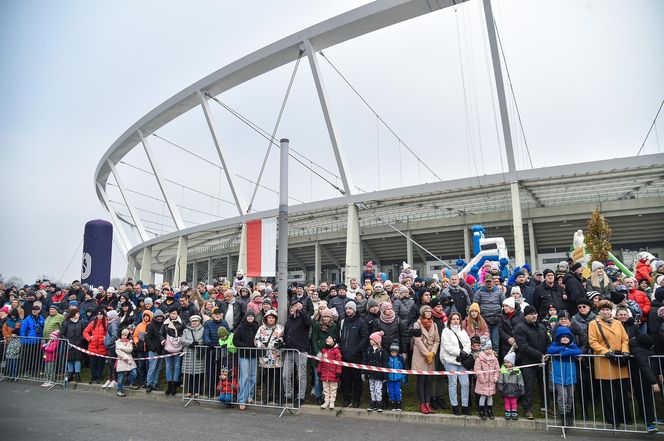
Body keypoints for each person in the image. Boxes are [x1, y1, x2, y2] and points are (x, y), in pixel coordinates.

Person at [588, 299, 630, 428]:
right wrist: (605, 351)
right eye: (603, 310)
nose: (605, 312)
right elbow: (593, 341)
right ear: (599, 311)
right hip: (604, 361)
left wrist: (625, 351)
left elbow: (625, 339)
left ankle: (625, 416)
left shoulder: (618, 323)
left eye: (607, 309)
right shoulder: (593, 323)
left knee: (621, 391)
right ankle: (612, 419)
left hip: (618, 360)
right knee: (607, 393)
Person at [514, 305, 550, 420]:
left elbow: (548, 342)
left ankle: (546, 407)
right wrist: (540, 355)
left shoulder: (541, 327)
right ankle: (528, 409)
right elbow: (523, 346)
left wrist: (547, 354)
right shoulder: (520, 328)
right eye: (531, 314)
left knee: (544, 385)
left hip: (543, 362)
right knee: (528, 387)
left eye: (535, 313)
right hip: (528, 362)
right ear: (525, 316)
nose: (534, 316)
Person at [547, 326, 581, 426]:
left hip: (570, 375)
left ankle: (569, 414)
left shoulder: (573, 346)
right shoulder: (554, 345)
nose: (565, 338)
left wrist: (564, 352)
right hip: (559, 375)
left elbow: (578, 351)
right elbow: (550, 350)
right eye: (562, 337)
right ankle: (563, 416)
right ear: (558, 338)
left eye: (567, 337)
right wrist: (562, 348)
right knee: (563, 396)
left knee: (570, 396)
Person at [336, 300, 368, 408]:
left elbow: (364, 338)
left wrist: (357, 349)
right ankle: (346, 399)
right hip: (344, 356)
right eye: (346, 309)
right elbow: (339, 337)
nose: (348, 311)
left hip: (356, 356)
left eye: (350, 308)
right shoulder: (342, 321)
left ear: (354, 309)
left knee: (357, 379)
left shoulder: (361, 322)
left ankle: (356, 400)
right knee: (345, 379)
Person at [282, 299, 312, 407]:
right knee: (285, 375)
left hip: (301, 351)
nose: (293, 309)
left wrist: (301, 311)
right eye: (292, 307)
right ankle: (288, 395)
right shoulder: (289, 321)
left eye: (296, 307)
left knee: (301, 375)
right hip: (289, 351)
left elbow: (309, 322)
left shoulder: (303, 318)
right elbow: (286, 334)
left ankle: (301, 396)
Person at [440, 311, 471, 415]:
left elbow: (468, 344)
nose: (455, 320)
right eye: (453, 318)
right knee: (452, 384)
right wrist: (459, 352)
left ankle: (465, 406)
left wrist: (465, 353)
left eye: (457, 319)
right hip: (450, 360)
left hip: (462, 361)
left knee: (465, 383)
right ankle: (454, 406)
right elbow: (447, 346)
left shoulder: (463, 331)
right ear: (450, 320)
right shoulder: (446, 331)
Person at [629, 333, 660, 433]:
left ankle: (652, 418)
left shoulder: (642, 347)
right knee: (645, 399)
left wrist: (658, 374)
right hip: (642, 378)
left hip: (648, 377)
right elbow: (644, 366)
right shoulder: (638, 351)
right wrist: (654, 382)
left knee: (649, 399)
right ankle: (649, 423)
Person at [411, 305, 439, 414]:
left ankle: (428, 403)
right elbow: (417, 341)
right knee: (421, 380)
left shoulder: (434, 324)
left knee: (429, 381)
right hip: (420, 356)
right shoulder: (417, 324)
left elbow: (437, 340)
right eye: (426, 311)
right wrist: (426, 354)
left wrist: (432, 353)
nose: (428, 313)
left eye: (429, 311)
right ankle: (422, 403)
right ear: (422, 313)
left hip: (431, 356)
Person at [254, 309, 284, 406]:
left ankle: (277, 398)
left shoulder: (280, 328)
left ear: (275, 319)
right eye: (269, 318)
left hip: (277, 358)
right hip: (265, 359)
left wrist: (280, 342)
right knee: (267, 379)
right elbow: (256, 339)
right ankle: (266, 397)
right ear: (266, 318)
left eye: (273, 318)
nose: (271, 319)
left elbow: (284, 339)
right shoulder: (261, 328)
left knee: (277, 379)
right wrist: (259, 344)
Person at [233, 310, 260, 410]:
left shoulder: (257, 327)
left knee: (253, 376)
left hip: (254, 355)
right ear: (246, 317)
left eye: (251, 316)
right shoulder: (240, 327)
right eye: (248, 316)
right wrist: (246, 346)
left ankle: (250, 396)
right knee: (244, 377)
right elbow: (235, 341)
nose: (250, 318)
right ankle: (241, 399)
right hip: (244, 355)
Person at [310, 308, 338, 405]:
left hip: (329, 354)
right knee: (318, 377)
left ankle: (326, 397)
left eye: (328, 317)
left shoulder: (334, 326)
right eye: (324, 316)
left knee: (327, 377)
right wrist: (317, 351)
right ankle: (318, 396)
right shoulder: (317, 325)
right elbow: (313, 339)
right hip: (318, 354)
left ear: (331, 318)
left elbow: (335, 339)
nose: (326, 318)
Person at [472, 275, 504, 351]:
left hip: (497, 320)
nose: (488, 283)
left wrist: (500, 316)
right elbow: (475, 306)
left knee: (495, 343)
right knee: (485, 342)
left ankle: (495, 361)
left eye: (490, 281)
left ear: (493, 281)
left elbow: (504, 304)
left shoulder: (499, 292)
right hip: (484, 321)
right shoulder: (479, 292)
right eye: (487, 281)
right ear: (484, 282)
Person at [160, 307, 185, 396]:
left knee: (177, 366)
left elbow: (184, 332)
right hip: (167, 347)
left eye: (174, 313)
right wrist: (163, 340)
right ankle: (169, 385)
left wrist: (180, 339)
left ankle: (175, 384)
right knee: (168, 366)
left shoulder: (182, 323)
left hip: (178, 347)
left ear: (177, 314)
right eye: (171, 313)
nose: (172, 315)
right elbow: (161, 333)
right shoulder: (165, 323)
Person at [474, 338, 499, 420]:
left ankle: (490, 411)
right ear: (483, 349)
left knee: (490, 396)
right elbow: (477, 370)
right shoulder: (479, 358)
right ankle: (481, 411)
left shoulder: (494, 359)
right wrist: (482, 378)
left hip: (491, 382)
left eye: (490, 348)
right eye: (487, 349)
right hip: (483, 382)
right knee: (483, 396)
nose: (489, 350)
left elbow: (497, 369)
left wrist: (495, 377)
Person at [181, 315, 205, 398]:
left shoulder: (203, 329)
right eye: (193, 321)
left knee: (199, 373)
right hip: (189, 354)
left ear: (199, 322)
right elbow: (182, 340)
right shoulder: (186, 330)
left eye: (196, 321)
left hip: (198, 354)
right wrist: (191, 342)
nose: (194, 322)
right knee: (190, 374)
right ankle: (190, 391)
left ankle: (198, 391)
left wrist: (197, 343)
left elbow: (203, 339)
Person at [60, 306, 84, 383]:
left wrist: (80, 340)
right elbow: (62, 334)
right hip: (69, 344)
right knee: (69, 360)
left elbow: (83, 332)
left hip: (78, 344)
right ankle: (70, 374)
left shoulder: (81, 322)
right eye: (77, 314)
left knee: (77, 359)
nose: (79, 315)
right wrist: (67, 341)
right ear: (73, 314)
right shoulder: (66, 322)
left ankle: (77, 374)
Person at [83, 309, 108, 384]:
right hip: (93, 347)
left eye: (101, 314)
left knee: (101, 364)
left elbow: (109, 333)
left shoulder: (107, 323)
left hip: (102, 347)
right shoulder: (92, 323)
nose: (99, 316)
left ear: (103, 315)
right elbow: (85, 332)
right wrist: (89, 338)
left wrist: (105, 338)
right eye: (98, 314)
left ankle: (99, 377)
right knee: (93, 364)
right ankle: (93, 377)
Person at [318, 335, 342, 409]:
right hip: (325, 374)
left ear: (334, 341)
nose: (327, 339)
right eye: (327, 338)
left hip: (333, 374)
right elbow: (321, 362)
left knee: (333, 389)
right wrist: (319, 370)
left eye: (330, 338)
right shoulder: (323, 350)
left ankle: (332, 402)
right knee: (325, 389)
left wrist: (338, 371)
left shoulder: (336, 351)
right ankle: (326, 402)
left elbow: (339, 362)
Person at [144, 309, 165, 392]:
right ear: (155, 317)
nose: (159, 318)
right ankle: (149, 384)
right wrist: (153, 348)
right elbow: (147, 338)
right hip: (153, 350)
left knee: (158, 368)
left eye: (161, 316)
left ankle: (154, 384)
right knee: (152, 368)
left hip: (162, 350)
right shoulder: (150, 325)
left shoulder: (164, 325)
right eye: (158, 316)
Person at [115, 328, 139, 397]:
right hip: (121, 361)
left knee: (134, 373)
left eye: (125, 335)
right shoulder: (117, 342)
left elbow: (130, 350)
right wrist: (126, 357)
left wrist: (121, 347)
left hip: (130, 361)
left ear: (127, 335)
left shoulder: (130, 342)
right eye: (122, 335)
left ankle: (132, 384)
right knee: (120, 377)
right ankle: (119, 391)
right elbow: (118, 352)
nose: (123, 336)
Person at [386, 340, 406, 411]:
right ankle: (392, 405)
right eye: (392, 352)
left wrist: (404, 378)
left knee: (397, 391)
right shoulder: (388, 358)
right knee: (391, 391)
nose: (393, 353)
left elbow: (403, 368)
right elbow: (386, 368)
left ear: (397, 352)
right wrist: (386, 377)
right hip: (390, 378)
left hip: (398, 378)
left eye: (395, 352)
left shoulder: (400, 359)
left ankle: (399, 404)